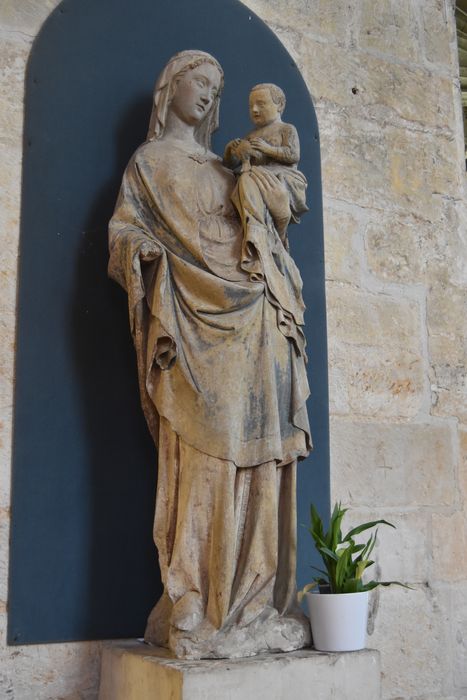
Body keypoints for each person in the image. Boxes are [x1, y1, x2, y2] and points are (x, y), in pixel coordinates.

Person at [108, 50, 312, 660]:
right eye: (200, 80)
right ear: (171, 85)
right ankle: (193, 598)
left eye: (215, 86)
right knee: (205, 456)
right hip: (196, 325)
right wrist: (143, 254)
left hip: (260, 318)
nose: (208, 93)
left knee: (263, 460)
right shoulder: (149, 164)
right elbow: (122, 232)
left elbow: (264, 230)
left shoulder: (230, 166)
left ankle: (252, 602)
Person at [224, 83, 309, 250]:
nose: (255, 109)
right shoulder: (251, 135)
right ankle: (255, 230)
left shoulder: (287, 129)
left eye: (261, 104)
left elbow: (293, 155)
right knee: (242, 181)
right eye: (251, 106)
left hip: (283, 176)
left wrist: (267, 149)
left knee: (255, 182)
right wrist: (231, 150)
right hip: (255, 176)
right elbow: (231, 164)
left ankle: (278, 232)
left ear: (280, 105)